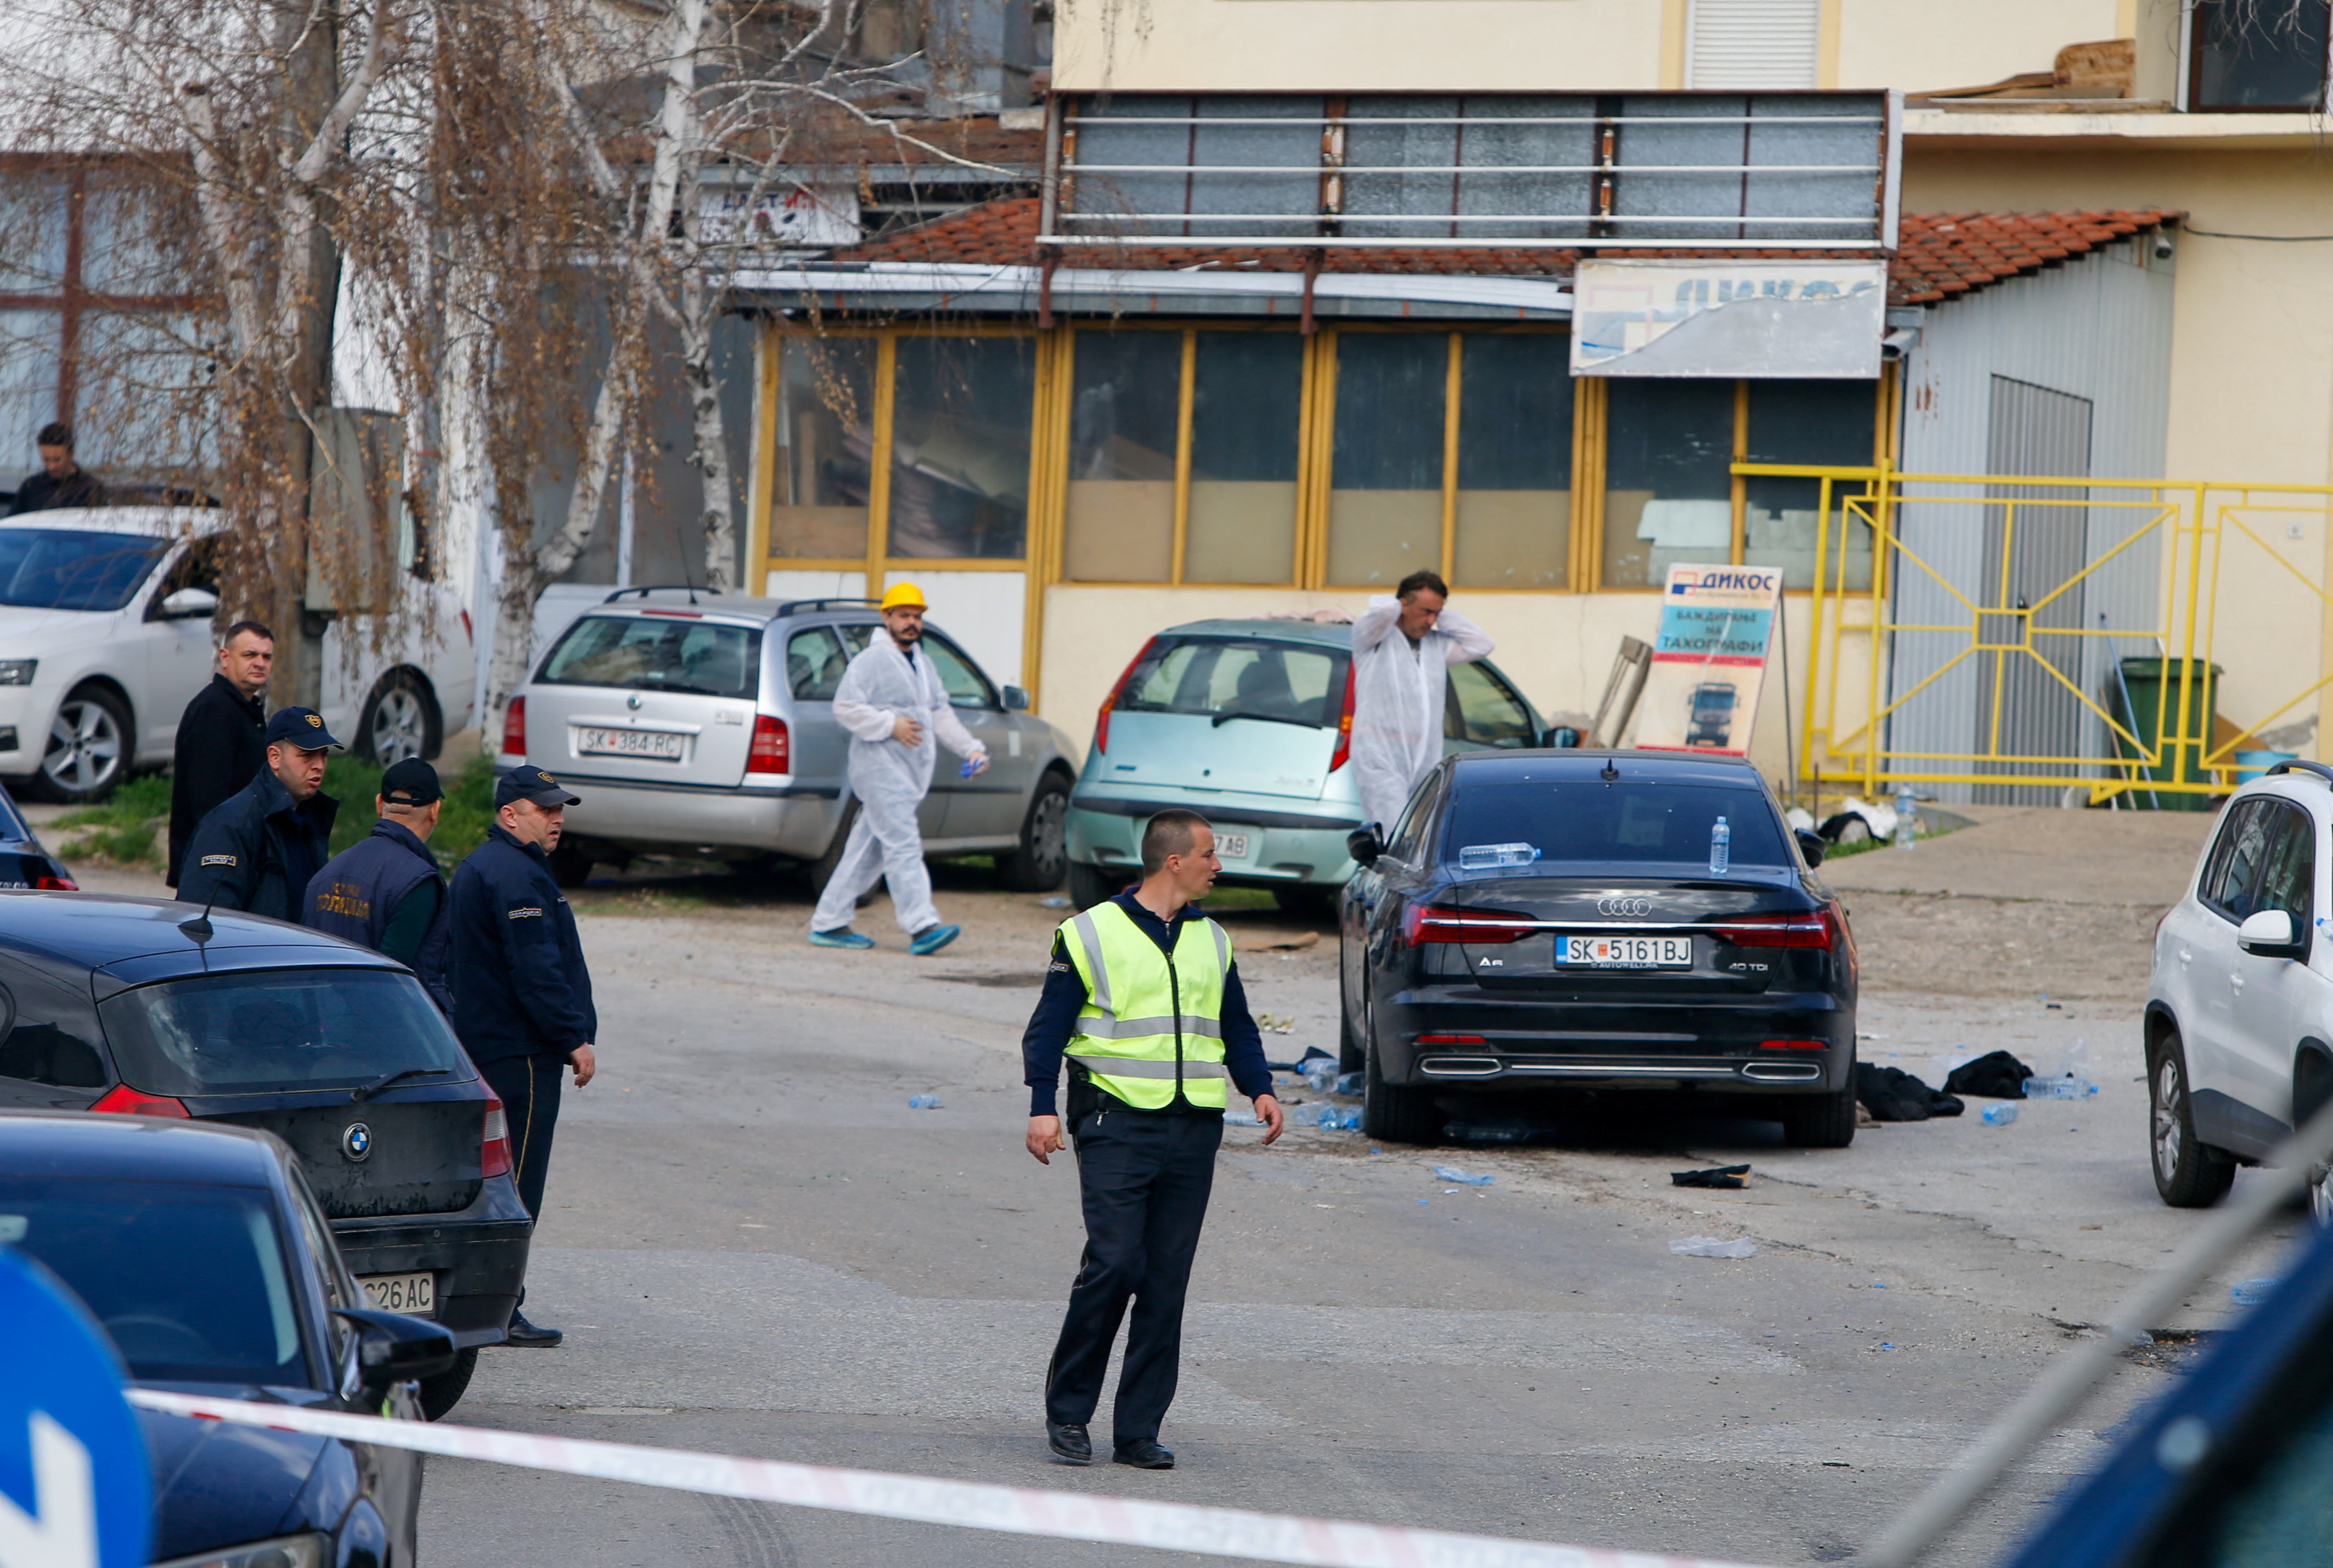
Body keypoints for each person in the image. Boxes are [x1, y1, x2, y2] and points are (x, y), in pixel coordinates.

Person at [1023, 808, 1284, 1471]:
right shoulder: (1088, 932)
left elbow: (1237, 1026)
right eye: (1207, 855)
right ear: (1174, 861)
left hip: (1191, 1126)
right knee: (1115, 1263)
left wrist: (1260, 1087)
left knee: (1165, 1282)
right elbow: (1047, 1028)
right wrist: (1041, 1106)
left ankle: (1137, 1429)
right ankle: (1069, 1412)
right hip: (1114, 1119)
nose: (1217, 865)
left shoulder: (1213, 939)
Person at [447, 764, 597, 1349]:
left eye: (560, 808)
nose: (557, 818)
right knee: (517, 1183)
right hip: (522, 1053)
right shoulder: (517, 876)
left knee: (492, 1178)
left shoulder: (484, 866)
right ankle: (501, 1307)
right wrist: (572, 1037)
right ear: (511, 814)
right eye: (545, 808)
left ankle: (478, 1298)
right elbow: (536, 970)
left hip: (485, 1044)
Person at [806, 582, 989, 955]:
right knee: (903, 843)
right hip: (879, 769)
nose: (912, 623)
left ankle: (829, 921)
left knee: (866, 848)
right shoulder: (871, 661)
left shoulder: (921, 661)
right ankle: (922, 925)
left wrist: (971, 748)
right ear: (886, 617)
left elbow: (939, 711)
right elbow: (845, 707)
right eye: (904, 615)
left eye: (918, 617)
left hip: (907, 772)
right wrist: (891, 724)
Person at [1349, 569, 1495, 836]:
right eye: (1425, 611)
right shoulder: (1374, 639)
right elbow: (1380, 614)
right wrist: (1396, 605)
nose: (1430, 621)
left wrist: (1443, 616)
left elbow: (1482, 644)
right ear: (1402, 605)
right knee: (1391, 835)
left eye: (1436, 614)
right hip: (1380, 757)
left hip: (1424, 759)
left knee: (1422, 840)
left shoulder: (1436, 646)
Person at [304, 758, 452, 1011]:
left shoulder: (327, 873)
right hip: (384, 1033)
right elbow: (395, 976)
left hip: (322, 1023)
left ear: (380, 804)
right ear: (435, 811)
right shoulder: (419, 882)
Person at [176, 708, 342, 922]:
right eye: (307, 755)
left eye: (324, 755)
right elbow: (204, 921)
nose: (319, 765)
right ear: (275, 757)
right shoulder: (231, 825)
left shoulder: (310, 820)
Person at [167, 619, 275, 888]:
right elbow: (209, 801)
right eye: (250, 655)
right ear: (225, 657)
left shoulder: (247, 708)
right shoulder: (214, 710)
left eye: (267, 656)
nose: (260, 663)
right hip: (214, 865)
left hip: (237, 858)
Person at [7, 422, 104, 514]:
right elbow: (12, 525)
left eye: (57, 460)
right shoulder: (31, 487)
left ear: (71, 455)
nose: (52, 466)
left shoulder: (91, 489)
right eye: (46, 460)